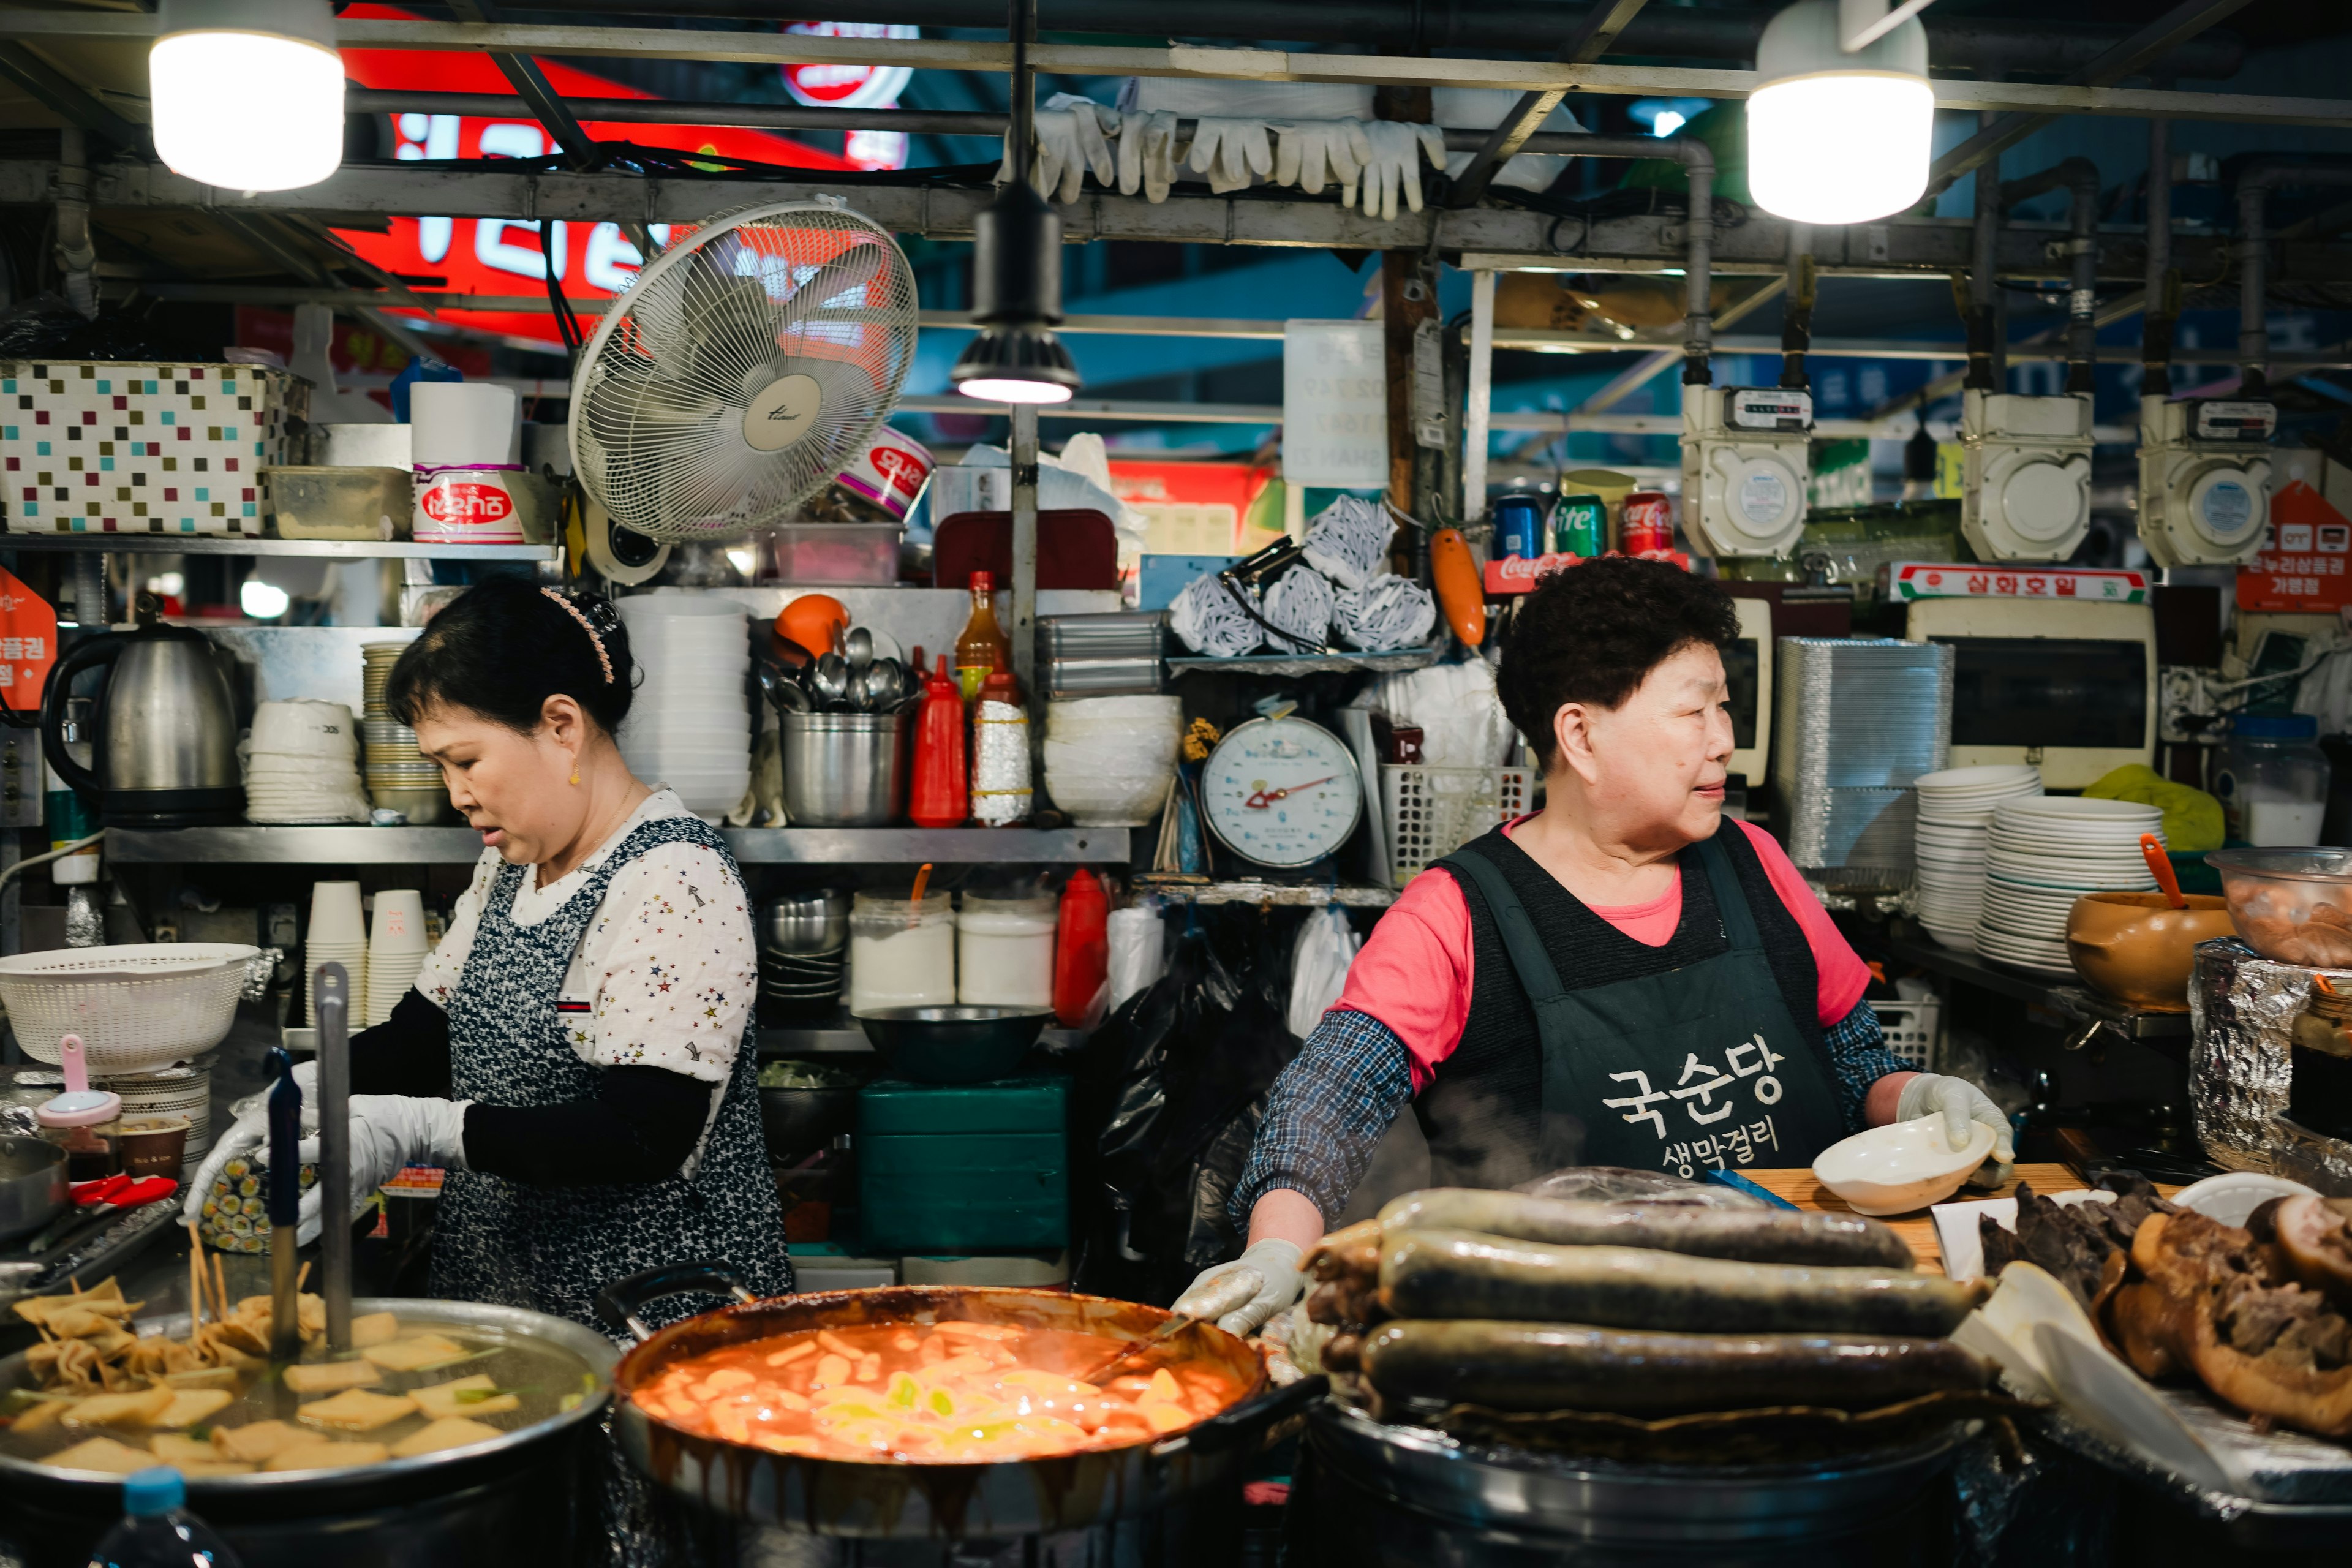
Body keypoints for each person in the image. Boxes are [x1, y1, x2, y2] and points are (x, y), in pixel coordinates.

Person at [1174, 558, 2013, 1335]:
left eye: (1725, 707)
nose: (1722, 738)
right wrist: (1276, 1250)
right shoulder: (1458, 912)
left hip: (1797, 1307)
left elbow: (1852, 1059)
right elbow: (1328, 1101)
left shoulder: (1754, 862)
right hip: (1567, 1338)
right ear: (1580, 736)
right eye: (1694, 710)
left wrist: (1921, 1101)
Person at [187, 578, 790, 1330]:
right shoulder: (512, 866)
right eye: (440, 766)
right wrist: (306, 1086)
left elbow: (641, 1134)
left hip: (649, 1319)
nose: (456, 793)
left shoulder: (674, 877)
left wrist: (424, 1129)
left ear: (561, 726)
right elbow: (427, 1038)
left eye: (465, 759)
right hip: (505, 1302)